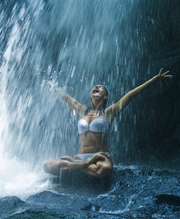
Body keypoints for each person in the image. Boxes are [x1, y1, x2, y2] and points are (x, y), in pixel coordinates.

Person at [43, 68, 172, 179]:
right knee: (47, 165)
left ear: (106, 97)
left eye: (101, 88)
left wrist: (154, 79)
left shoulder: (109, 112)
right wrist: (53, 87)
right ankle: (85, 165)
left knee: (104, 170)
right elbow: (66, 98)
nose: (96, 87)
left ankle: (73, 167)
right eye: (95, 87)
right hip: (80, 156)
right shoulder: (82, 110)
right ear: (91, 96)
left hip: (100, 157)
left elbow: (131, 95)